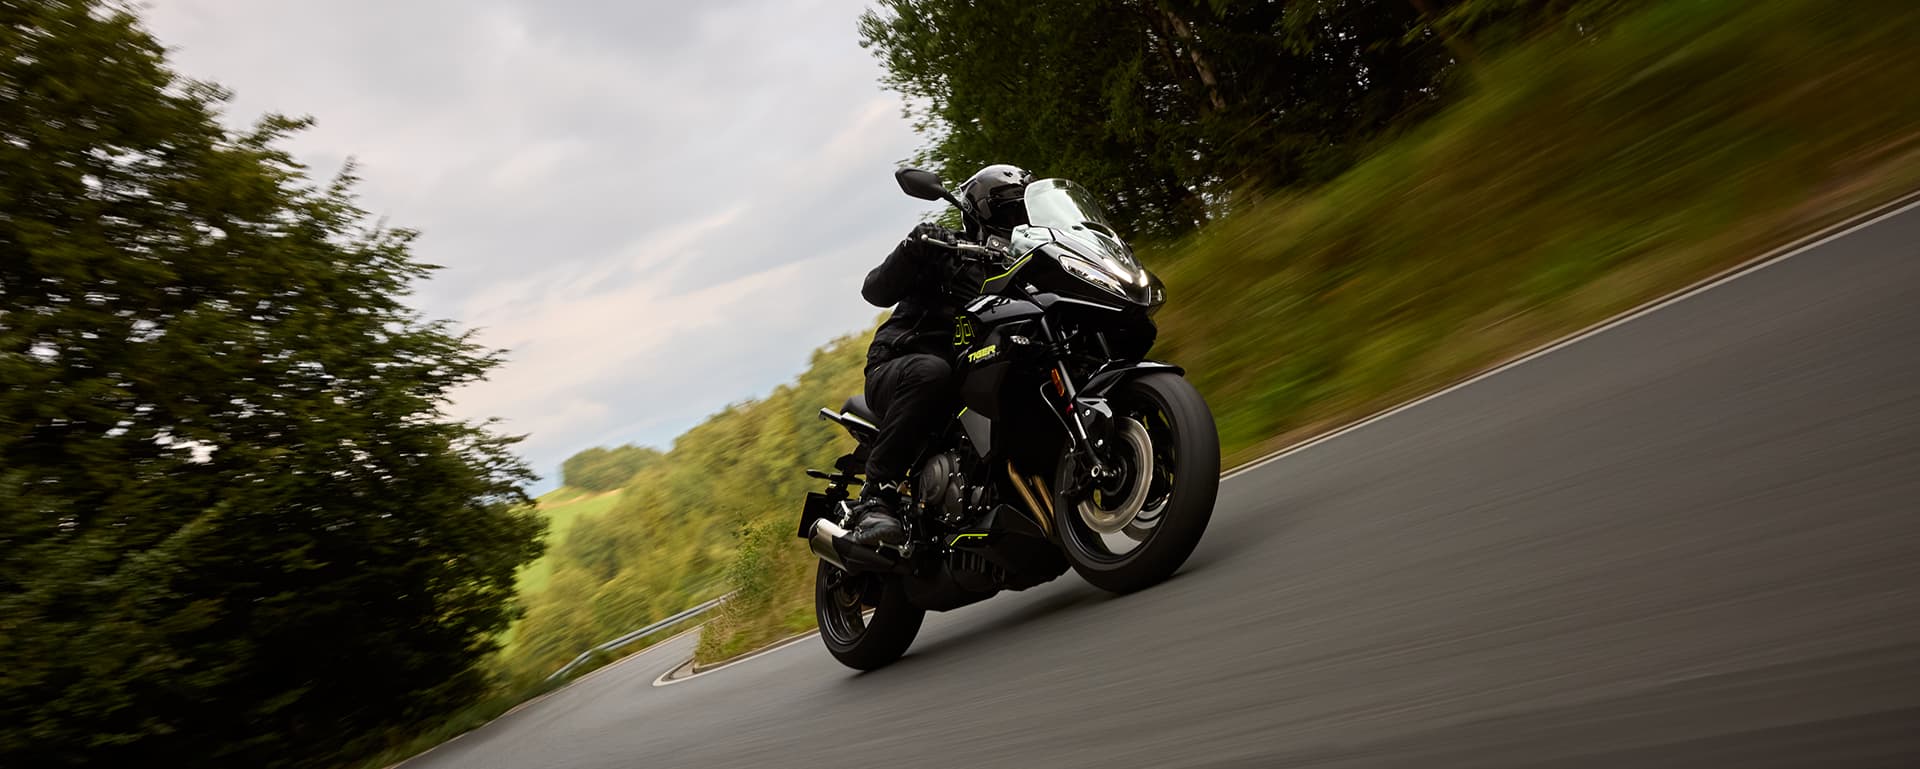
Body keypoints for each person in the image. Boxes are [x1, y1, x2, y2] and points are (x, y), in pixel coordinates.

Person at [847, 164, 1033, 547]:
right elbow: (874, 291)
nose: (1017, 221)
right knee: (934, 371)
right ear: (981, 214)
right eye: (1008, 212)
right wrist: (913, 247)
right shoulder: (945, 251)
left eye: (1023, 212)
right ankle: (876, 498)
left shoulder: (1020, 271)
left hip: (965, 373)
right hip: (898, 365)